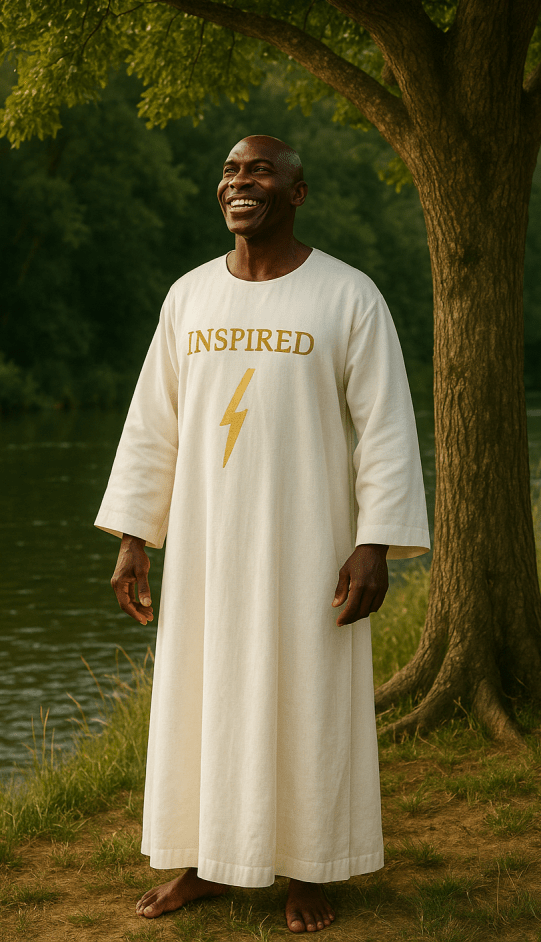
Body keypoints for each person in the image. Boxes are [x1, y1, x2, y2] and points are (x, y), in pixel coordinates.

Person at [95, 135, 430, 933]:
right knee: (198, 701)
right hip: (207, 548)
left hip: (309, 545)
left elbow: (384, 427)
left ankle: (307, 869)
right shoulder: (188, 297)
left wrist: (374, 541)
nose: (239, 183)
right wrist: (134, 537)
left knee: (308, 699)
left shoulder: (348, 295)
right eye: (230, 171)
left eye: (259, 171)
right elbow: (153, 427)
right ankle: (203, 863)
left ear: (296, 192)